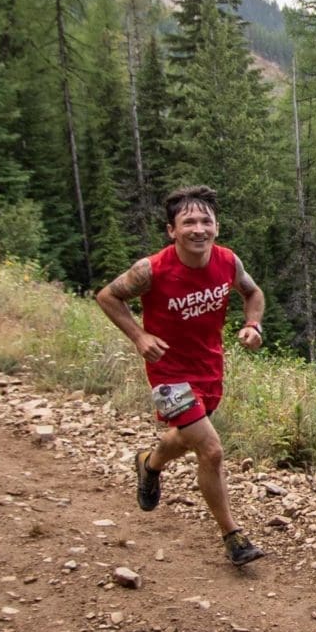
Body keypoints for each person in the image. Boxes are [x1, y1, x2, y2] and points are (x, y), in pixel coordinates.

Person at [96, 184, 265, 565]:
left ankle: (149, 463)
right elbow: (108, 296)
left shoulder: (228, 261)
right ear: (172, 230)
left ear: (217, 227)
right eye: (188, 222)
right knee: (211, 449)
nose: (198, 229)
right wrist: (139, 336)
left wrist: (253, 325)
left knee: (186, 437)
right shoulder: (151, 269)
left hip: (209, 367)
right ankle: (233, 537)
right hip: (168, 372)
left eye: (206, 221)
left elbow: (253, 293)